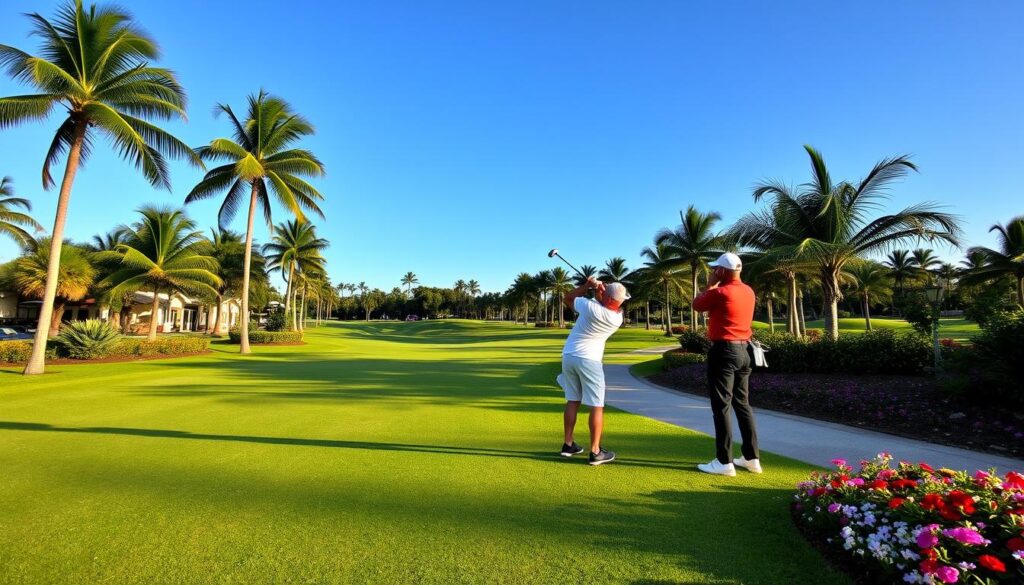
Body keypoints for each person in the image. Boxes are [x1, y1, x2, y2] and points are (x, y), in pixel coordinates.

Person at [693, 252, 762, 477]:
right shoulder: (748, 290)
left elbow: (697, 304)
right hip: (745, 351)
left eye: (716, 270)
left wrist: (710, 285)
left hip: (724, 351)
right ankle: (752, 458)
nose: (713, 272)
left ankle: (724, 462)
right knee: (742, 404)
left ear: (722, 271)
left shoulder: (721, 292)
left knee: (721, 406)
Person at [557, 276, 629, 466]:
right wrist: (599, 295)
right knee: (596, 405)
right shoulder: (617, 317)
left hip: (569, 356)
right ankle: (596, 452)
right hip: (590, 361)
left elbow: (568, 298)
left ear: (606, 297)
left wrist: (587, 286)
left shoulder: (589, 306)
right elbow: (609, 305)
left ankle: (568, 444)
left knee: (573, 400)